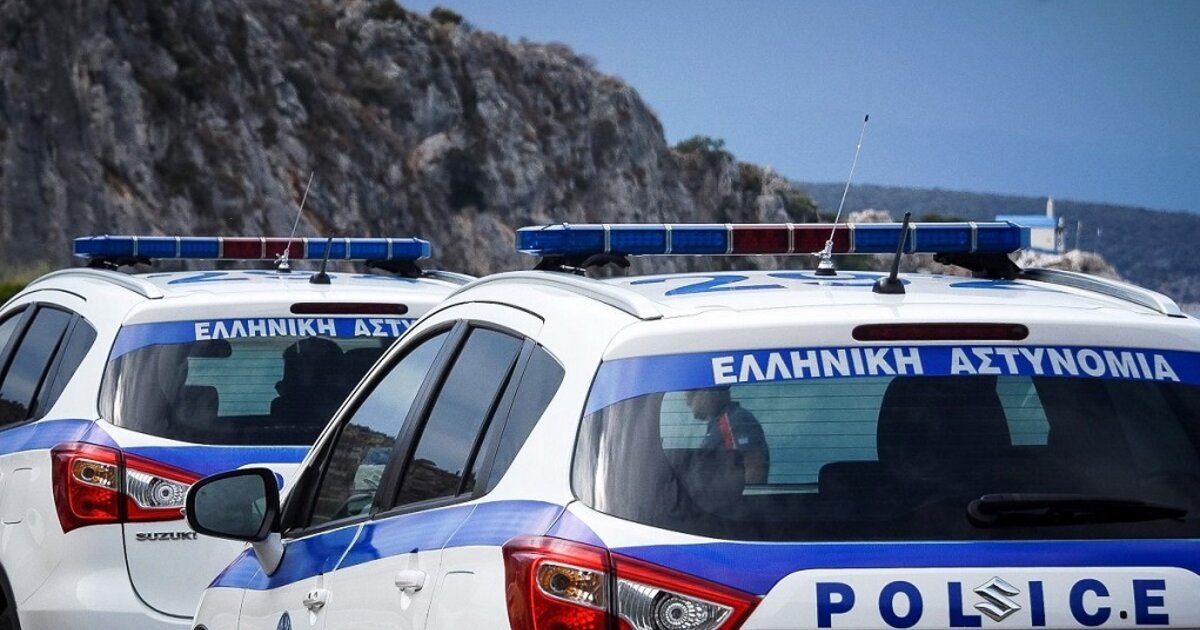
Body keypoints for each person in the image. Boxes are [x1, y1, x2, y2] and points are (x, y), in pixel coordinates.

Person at [686, 387, 770, 484]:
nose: (688, 402)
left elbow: (754, 468)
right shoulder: (718, 423)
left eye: (691, 394)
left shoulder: (736, 420)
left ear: (707, 393)